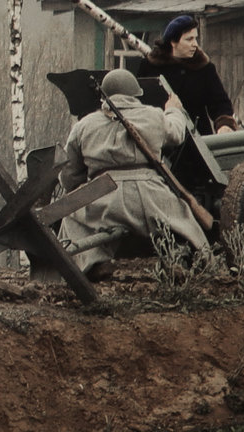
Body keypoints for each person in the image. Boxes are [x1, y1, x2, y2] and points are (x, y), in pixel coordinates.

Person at [55, 67, 209, 277]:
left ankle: (94, 262)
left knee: (71, 218)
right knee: (181, 218)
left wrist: (80, 191)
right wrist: (174, 109)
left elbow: (70, 175)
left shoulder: (84, 125)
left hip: (102, 196)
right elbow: (177, 133)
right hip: (150, 195)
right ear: (135, 94)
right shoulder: (153, 115)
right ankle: (182, 257)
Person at [127, 14, 239, 132]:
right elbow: (139, 101)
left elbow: (220, 103)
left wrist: (224, 125)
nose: (195, 44)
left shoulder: (204, 68)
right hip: (161, 138)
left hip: (197, 138)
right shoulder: (150, 66)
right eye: (189, 39)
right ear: (173, 42)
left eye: (195, 38)